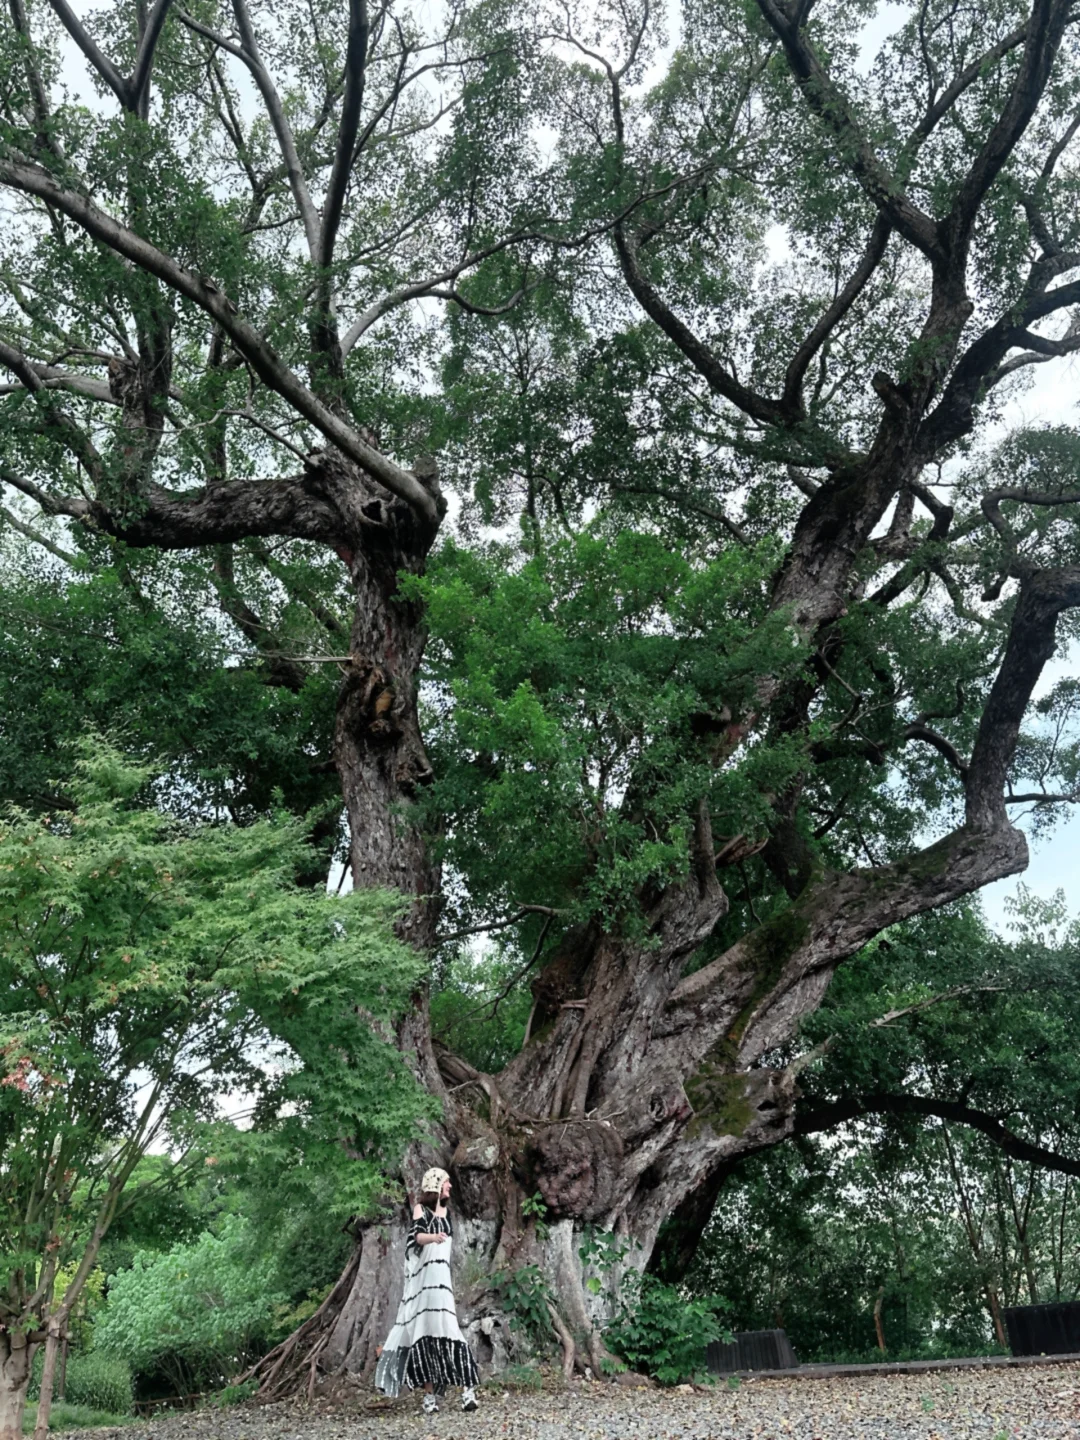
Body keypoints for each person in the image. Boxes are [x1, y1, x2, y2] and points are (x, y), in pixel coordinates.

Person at [374, 1166, 480, 1415]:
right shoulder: (421, 1210)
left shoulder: (447, 1213)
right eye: (446, 1182)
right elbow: (417, 1237)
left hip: (442, 1288)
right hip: (424, 1289)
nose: (450, 1186)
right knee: (424, 1339)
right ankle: (430, 1400)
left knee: (452, 1334)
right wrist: (434, 1238)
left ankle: (468, 1394)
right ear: (435, 1185)